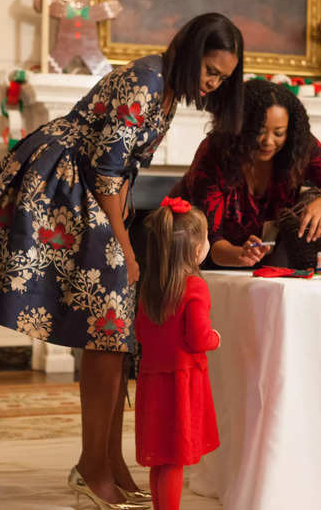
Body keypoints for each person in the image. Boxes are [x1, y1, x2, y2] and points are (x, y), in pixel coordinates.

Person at [0, 13, 243, 508]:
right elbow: (106, 169)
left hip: (91, 190)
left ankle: (107, 460)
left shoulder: (168, 90)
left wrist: (123, 224)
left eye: (221, 79)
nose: (212, 83)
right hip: (63, 184)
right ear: (192, 51)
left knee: (110, 328)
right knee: (107, 326)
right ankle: (92, 466)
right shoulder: (149, 81)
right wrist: (126, 250)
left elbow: (124, 169)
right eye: (210, 71)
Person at [170, 78, 321, 267]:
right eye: (259, 130)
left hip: (262, 259)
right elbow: (210, 242)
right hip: (190, 252)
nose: (268, 141)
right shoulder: (215, 152)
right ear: (241, 125)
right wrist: (239, 254)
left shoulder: (299, 146)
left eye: (278, 133)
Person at [135, 196, 221, 510]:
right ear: (197, 249)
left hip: (153, 382)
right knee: (174, 461)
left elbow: (140, 333)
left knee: (161, 459)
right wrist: (215, 338)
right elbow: (198, 338)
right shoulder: (195, 286)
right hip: (181, 385)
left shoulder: (150, 286)